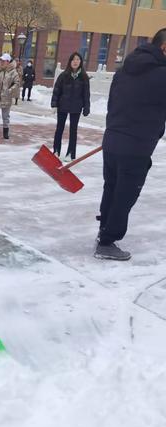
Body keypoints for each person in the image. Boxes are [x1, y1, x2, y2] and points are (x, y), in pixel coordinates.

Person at [94, 29, 166, 261]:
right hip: (136, 146)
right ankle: (107, 242)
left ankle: (104, 230)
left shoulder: (124, 70)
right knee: (125, 194)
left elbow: (112, 102)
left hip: (112, 140)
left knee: (111, 188)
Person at [51, 52, 90, 161]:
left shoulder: (83, 77)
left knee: (73, 130)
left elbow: (86, 94)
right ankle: (56, 151)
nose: (75, 62)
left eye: (78, 59)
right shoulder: (63, 75)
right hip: (63, 105)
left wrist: (86, 107)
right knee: (59, 129)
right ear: (70, 61)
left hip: (76, 107)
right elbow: (57, 90)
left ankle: (70, 153)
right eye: (73, 59)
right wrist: (54, 104)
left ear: (80, 62)